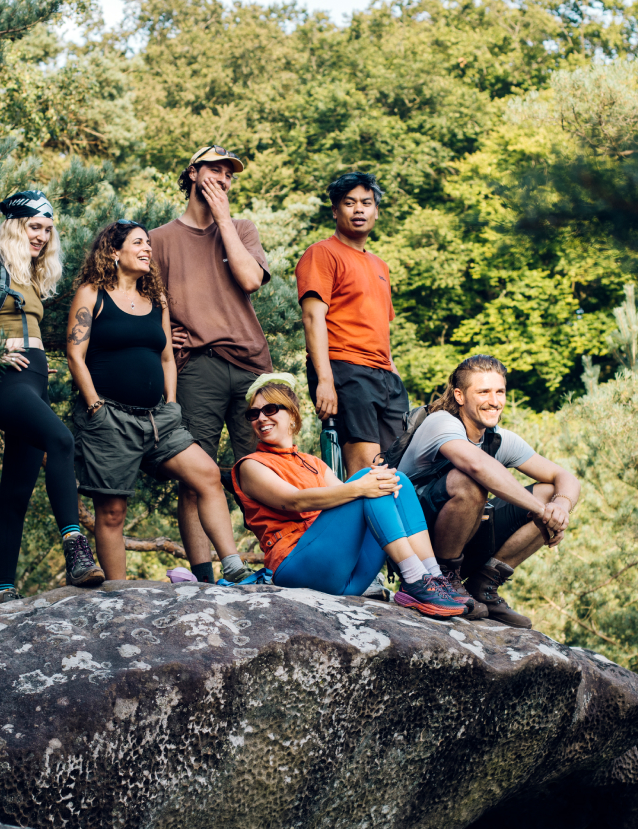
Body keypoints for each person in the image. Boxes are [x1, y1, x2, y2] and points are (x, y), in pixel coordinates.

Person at [65, 220, 254, 583]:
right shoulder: (93, 293)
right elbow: (76, 354)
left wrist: (171, 405)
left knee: (208, 475)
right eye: (138, 243)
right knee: (112, 512)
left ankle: (233, 566)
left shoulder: (157, 299)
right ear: (114, 252)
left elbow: (167, 357)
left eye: (149, 244)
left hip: (159, 419)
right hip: (110, 418)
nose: (147, 249)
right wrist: (94, 406)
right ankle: (118, 594)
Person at [232, 375, 466, 619]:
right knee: (370, 480)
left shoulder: (313, 463)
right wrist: (363, 485)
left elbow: (350, 500)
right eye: (254, 414)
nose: (261, 418)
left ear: (292, 415)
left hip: (346, 576)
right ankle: (415, 577)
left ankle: (432, 577)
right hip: (296, 568)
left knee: (398, 482)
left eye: (269, 409)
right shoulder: (251, 465)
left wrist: (366, 484)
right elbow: (294, 501)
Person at [0, 190, 105, 604]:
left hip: (33, 381)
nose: (43, 236)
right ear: (15, 225)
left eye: (48, 230)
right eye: (35, 227)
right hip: (3, 382)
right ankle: (76, 549)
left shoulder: (28, 273)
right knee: (61, 439)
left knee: (16, 492)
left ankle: (2, 591)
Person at [149, 145, 272, 584]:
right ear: (192, 173)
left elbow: (251, 280)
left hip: (250, 363)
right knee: (195, 472)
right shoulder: (159, 239)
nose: (223, 178)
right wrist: (165, 335)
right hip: (196, 365)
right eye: (214, 170)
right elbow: (147, 308)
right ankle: (204, 577)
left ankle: (276, 564)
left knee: (261, 469)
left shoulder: (241, 228)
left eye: (229, 174)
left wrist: (223, 221)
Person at [397, 355, 581, 628]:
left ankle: (484, 585)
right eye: (483, 392)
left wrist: (560, 508)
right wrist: (541, 512)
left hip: (464, 535)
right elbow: (476, 465)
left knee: (550, 492)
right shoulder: (441, 423)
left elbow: (564, 477)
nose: (494, 401)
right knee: (469, 480)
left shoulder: (497, 438)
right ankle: (444, 578)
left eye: (500, 391)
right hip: (416, 545)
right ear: (459, 396)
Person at [297, 172, 406, 473]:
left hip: (385, 377)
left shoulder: (380, 265)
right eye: (350, 202)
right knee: (368, 472)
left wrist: (394, 376)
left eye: (366, 203)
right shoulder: (322, 253)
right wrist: (325, 381)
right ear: (335, 210)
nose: (359, 209)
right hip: (347, 371)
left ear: (376, 211)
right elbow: (312, 317)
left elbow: (381, 329)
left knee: (399, 467)